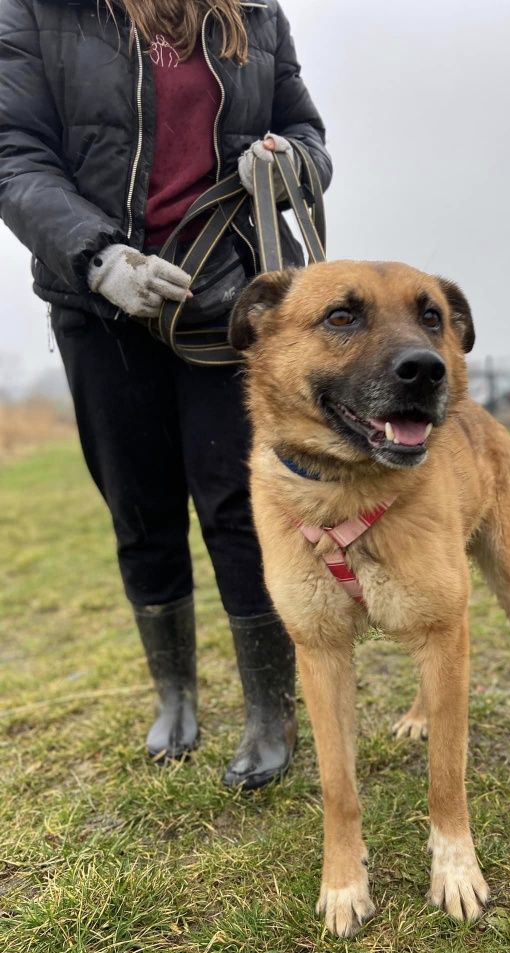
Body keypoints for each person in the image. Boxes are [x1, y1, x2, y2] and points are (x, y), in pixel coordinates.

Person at [0, 0, 332, 789]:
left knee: (239, 504)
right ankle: (175, 695)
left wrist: (292, 163)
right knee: (139, 508)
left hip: (226, 298)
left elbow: (311, 135)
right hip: (98, 305)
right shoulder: (38, 13)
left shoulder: (254, 14)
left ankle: (267, 707)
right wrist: (96, 254)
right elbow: (14, 154)